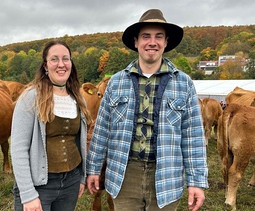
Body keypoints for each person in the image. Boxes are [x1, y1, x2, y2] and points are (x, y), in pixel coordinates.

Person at [86, 9, 209, 211]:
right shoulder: (116, 82)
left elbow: (193, 136)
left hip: (167, 176)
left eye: (158, 36)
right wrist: (93, 169)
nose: (152, 42)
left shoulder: (183, 83)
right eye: (146, 36)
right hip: (125, 175)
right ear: (136, 42)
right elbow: (101, 131)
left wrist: (196, 181)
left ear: (166, 42)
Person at [11, 40, 91, 211]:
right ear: (45, 66)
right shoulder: (30, 98)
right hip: (39, 184)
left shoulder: (78, 99)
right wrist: (28, 193)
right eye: (54, 59)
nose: (61, 64)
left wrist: (81, 177)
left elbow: (80, 141)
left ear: (71, 64)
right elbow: (18, 149)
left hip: (71, 181)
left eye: (66, 59)